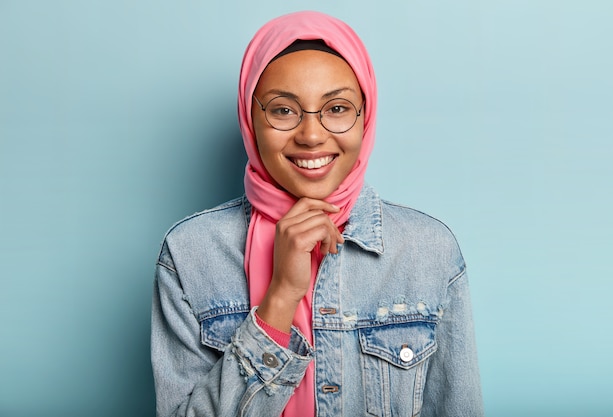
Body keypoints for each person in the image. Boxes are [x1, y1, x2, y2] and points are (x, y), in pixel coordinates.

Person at [151, 10, 483, 417]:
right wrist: (281, 297)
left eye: (338, 108)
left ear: (366, 115)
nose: (311, 135)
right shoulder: (190, 254)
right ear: (249, 119)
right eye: (283, 110)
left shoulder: (427, 250)